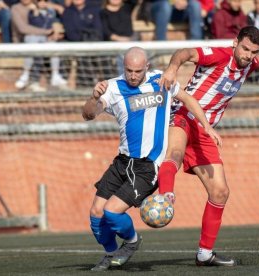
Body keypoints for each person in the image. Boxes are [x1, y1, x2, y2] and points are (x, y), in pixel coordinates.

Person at [157, 26, 259, 266]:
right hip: (183, 115)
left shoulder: (249, 63)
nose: (248, 55)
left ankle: (205, 254)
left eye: (253, 51)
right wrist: (172, 68)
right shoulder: (219, 55)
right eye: (245, 48)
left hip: (207, 132)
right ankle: (165, 198)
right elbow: (184, 52)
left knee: (220, 192)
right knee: (174, 154)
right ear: (235, 42)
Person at [82, 47, 221, 271]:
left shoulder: (160, 80)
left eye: (138, 71)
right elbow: (88, 114)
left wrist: (206, 126)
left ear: (146, 67)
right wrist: (93, 97)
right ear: (123, 67)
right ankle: (110, 253)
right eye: (129, 70)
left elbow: (187, 98)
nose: (133, 75)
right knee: (96, 214)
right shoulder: (113, 87)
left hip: (148, 166)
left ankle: (132, 241)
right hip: (123, 162)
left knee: (111, 211)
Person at [11, 0, 64, 92]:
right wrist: (47, 32)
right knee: (33, 43)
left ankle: (55, 75)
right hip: (25, 40)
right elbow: (23, 29)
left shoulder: (44, 7)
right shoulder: (16, 8)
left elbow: (53, 21)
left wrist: (55, 31)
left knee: (53, 45)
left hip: (43, 39)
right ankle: (27, 75)